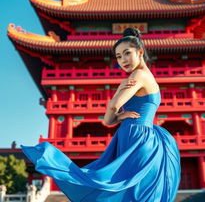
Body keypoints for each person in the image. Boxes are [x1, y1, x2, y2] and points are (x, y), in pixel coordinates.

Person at [21, 27, 181, 202]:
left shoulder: (137, 76)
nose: (123, 60)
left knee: (116, 184)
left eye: (127, 53)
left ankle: (53, 160)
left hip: (135, 135)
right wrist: (121, 115)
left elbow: (111, 112)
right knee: (139, 189)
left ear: (140, 51)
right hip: (150, 136)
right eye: (119, 57)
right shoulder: (151, 78)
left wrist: (118, 114)